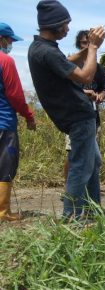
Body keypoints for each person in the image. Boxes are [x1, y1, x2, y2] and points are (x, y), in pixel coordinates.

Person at [28, 0, 105, 219]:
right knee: (81, 166)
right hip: (78, 116)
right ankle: (71, 217)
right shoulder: (48, 52)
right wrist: (92, 48)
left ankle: (93, 211)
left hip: (74, 116)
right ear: (55, 24)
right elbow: (86, 76)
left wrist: (83, 51)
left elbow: (64, 61)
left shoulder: (40, 48)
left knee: (93, 161)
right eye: (65, 24)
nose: (68, 29)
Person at [0, 23, 36, 221]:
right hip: (3, 122)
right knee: (5, 166)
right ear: (2, 39)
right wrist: (29, 116)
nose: (10, 44)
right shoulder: (5, 61)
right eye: (10, 40)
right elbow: (15, 95)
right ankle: (2, 211)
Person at [63, 30, 105, 182]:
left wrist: (100, 96)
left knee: (93, 155)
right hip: (75, 117)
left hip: (93, 116)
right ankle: (69, 187)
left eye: (90, 42)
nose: (88, 45)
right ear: (78, 44)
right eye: (84, 42)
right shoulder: (70, 64)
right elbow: (64, 88)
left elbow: (102, 90)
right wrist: (84, 92)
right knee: (73, 152)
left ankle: (88, 188)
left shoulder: (98, 68)